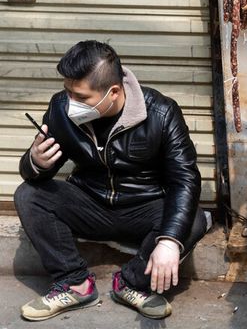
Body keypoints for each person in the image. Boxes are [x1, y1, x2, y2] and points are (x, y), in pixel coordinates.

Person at [14, 40, 207, 321]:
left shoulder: (162, 113)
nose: (70, 102)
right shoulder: (60, 109)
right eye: (68, 91)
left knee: (193, 220)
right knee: (28, 195)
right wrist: (35, 162)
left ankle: (131, 284)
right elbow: (35, 173)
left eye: (80, 97)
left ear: (113, 92)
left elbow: (185, 179)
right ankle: (74, 283)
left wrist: (169, 240)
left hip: (144, 207)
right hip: (89, 203)